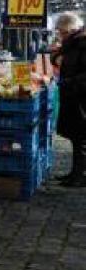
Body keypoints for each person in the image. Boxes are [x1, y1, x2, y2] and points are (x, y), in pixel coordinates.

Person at [55, 12, 86, 187]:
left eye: (63, 32)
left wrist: (69, 81)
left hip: (81, 99)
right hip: (73, 97)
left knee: (81, 139)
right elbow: (62, 56)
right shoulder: (73, 43)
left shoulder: (83, 44)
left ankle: (79, 176)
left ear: (71, 29)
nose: (60, 35)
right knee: (76, 137)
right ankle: (75, 173)